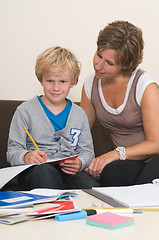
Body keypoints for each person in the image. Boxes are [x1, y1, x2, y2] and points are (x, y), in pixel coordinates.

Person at [7, 46, 99, 190]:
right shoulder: (25, 111)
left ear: (72, 82)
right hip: (37, 170)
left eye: (62, 82)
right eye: (50, 81)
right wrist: (26, 156)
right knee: (45, 175)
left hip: (69, 172)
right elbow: (13, 151)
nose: (56, 88)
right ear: (41, 80)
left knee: (90, 186)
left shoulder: (79, 114)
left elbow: (87, 151)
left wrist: (80, 163)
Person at [80, 20, 159, 187]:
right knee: (111, 173)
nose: (98, 66)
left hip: (156, 157)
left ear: (125, 65)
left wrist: (117, 153)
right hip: (132, 163)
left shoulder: (145, 86)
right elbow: (81, 133)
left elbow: (156, 143)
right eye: (99, 55)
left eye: (109, 63)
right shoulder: (90, 85)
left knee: (148, 182)